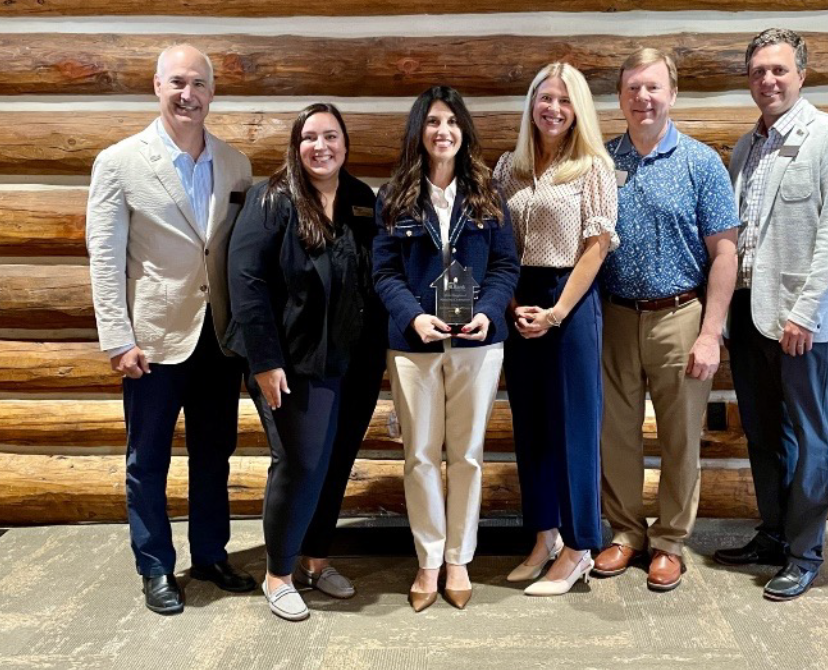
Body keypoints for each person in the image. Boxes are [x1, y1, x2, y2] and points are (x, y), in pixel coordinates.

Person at [85, 44, 255, 615]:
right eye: (178, 82)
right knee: (147, 459)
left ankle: (209, 554)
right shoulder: (119, 161)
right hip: (151, 340)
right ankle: (156, 565)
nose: (189, 95)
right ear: (157, 86)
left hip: (219, 338)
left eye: (200, 84)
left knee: (215, 454)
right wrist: (117, 339)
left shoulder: (235, 164)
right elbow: (104, 257)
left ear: (213, 92)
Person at [712, 28, 828, 601]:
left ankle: (805, 553)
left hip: (806, 320)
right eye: (757, 72)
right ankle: (773, 533)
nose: (767, 81)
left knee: (810, 437)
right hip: (751, 314)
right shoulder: (744, 149)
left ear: (801, 74)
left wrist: (805, 312)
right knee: (763, 434)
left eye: (778, 70)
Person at [226, 103, 384, 621]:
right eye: (310, 137)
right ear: (296, 145)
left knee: (336, 461)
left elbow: (376, 277)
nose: (321, 147)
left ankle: (316, 561)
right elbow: (246, 282)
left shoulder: (362, 199)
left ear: (345, 143)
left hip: (353, 359)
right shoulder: (271, 199)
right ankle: (278, 573)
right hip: (291, 362)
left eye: (331, 136)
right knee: (301, 463)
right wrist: (265, 362)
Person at [594, 49, 739, 592]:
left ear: (672, 94)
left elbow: (725, 254)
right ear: (621, 98)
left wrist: (710, 333)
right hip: (613, 316)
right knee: (617, 435)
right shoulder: (602, 161)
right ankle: (626, 533)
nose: (643, 98)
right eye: (633, 88)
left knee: (680, 438)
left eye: (652, 88)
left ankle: (671, 541)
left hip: (680, 317)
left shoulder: (701, 163)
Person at [373, 86, 520, 612]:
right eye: (434, 122)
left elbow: (505, 267)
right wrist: (413, 315)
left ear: (464, 131)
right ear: (420, 131)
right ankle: (428, 559)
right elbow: (384, 272)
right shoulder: (393, 198)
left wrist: (489, 310)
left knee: (467, 456)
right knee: (419, 456)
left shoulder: (488, 194)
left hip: (477, 345)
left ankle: (458, 557)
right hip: (414, 348)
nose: (444, 132)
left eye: (453, 122)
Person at [494, 62, 618, 597]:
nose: (553, 109)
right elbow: (498, 244)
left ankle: (578, 547)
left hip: (571, 304)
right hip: (520, 303)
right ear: (532, 104)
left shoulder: (593, 166)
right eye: (545, 98)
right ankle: (544, 537)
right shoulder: (508, 167)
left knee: (574, 429)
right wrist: (518, 305)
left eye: (565, 101)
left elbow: (597, 246)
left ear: (579, 110)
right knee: (533, 429)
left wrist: (556, 312)